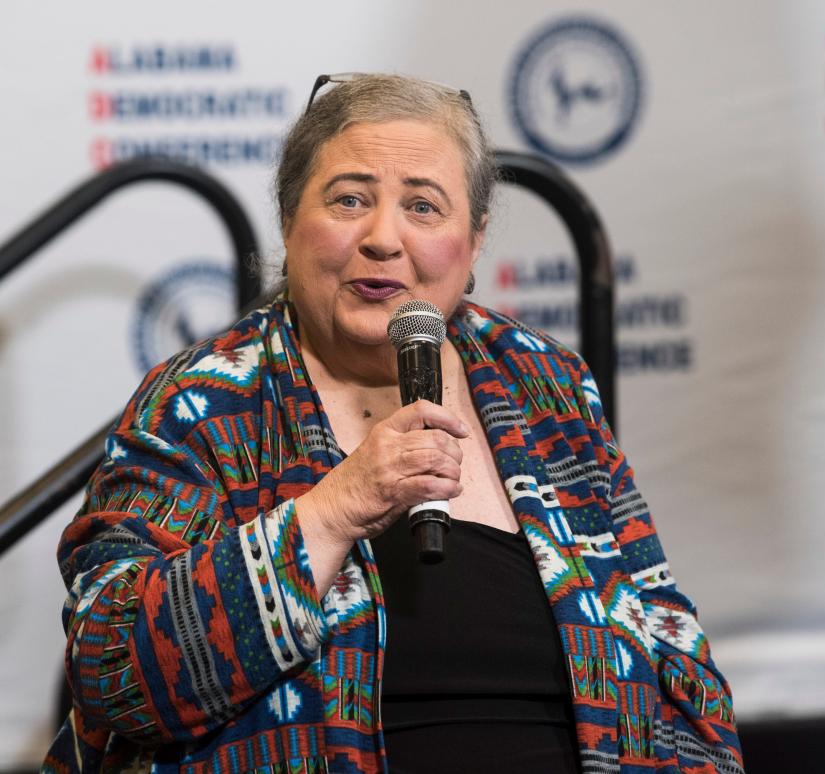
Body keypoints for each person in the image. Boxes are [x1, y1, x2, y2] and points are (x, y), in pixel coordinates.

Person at [43, 73, 742, 773]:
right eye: (349, 199)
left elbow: (671, 647)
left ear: (473, 240)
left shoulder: (546, 385)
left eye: (423, 206)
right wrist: (335, 509)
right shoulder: (201, 403)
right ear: (289, 222)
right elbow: (113, 673)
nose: (383, 237)